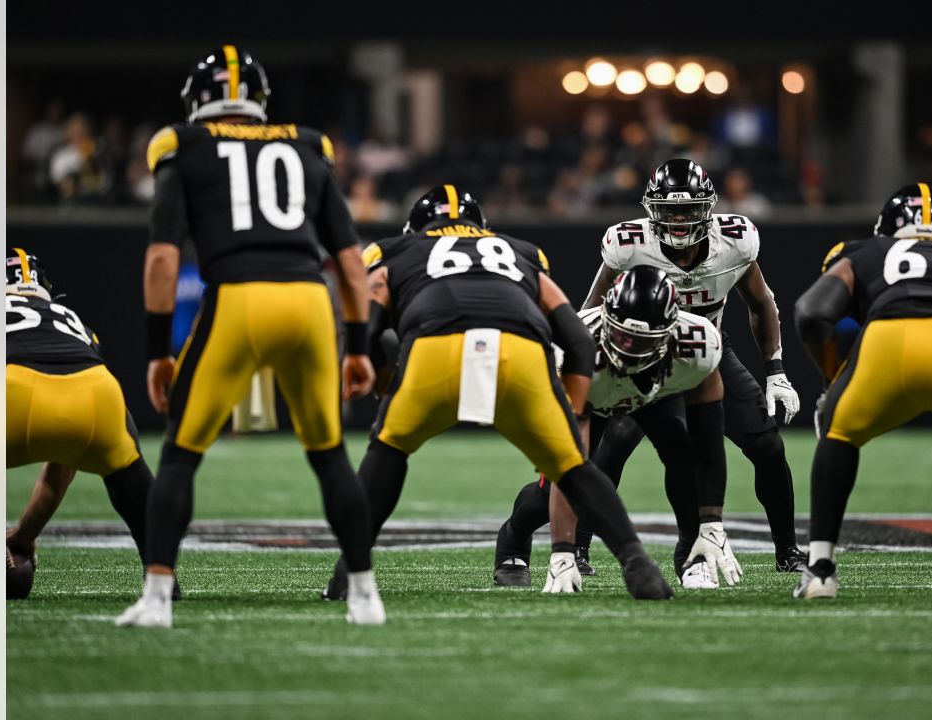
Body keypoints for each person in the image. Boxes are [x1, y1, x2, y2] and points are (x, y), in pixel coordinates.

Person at [115, 46, 383, 628]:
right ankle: (364, 595)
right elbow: (350, 262)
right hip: (309, 300)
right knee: (330, 455)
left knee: (182, 456)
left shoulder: (180, 145)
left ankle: (157, 598)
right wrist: (358, 343)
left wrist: (158, 349)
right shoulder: (309, 144)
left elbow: (163, 258)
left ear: (197, 101)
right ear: (258, 102)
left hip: (238, 295)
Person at [323, 185, 673, 601]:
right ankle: (639, 565)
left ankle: (347, 573)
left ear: (415, 228)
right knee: (574, 468)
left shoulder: (392, 251)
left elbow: (366, 316)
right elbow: (578, 339)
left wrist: (365, 363)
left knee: (388, 449)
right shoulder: (521, 252)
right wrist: (572, 410)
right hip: (518, 353)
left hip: (437, 349)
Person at [792, 183, 932, 599]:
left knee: (839, 433)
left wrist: (832, 379)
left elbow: (811, 315)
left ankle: (821, 570)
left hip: (892, 343)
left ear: (885, 228)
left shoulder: (861, 252)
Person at [581, 158, 807, 577]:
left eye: (689, 210)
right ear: (653, 209)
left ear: (710, 207)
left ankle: (788, 551)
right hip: (641, 362)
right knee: (613, 444)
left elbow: (761, 303)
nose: (680, 220)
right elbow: (591, 310)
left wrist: (775, 370)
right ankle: (576, 548)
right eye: (670, 210)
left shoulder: (735, 243)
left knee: (768, 446)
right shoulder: (629, 245)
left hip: (706, 355)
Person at [492, 266, 742, 591]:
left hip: (654, 388)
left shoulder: (699, 344)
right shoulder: (575, 349)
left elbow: (708, 441)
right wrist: (562, 553)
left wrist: (712, 524)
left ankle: (691, 554)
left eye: (642, 340)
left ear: (670, 331)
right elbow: (570, 463)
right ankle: (513, 540)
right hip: (592, 390)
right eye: (623, 336)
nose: (629, 348)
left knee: (686, 455)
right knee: (557, 486)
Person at [5, 248, 159, 598]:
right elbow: (62, 469)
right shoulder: (71, 319)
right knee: (127, 462)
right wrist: (24, 536)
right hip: (95, 393)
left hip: (11, 390)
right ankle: (161, 574)